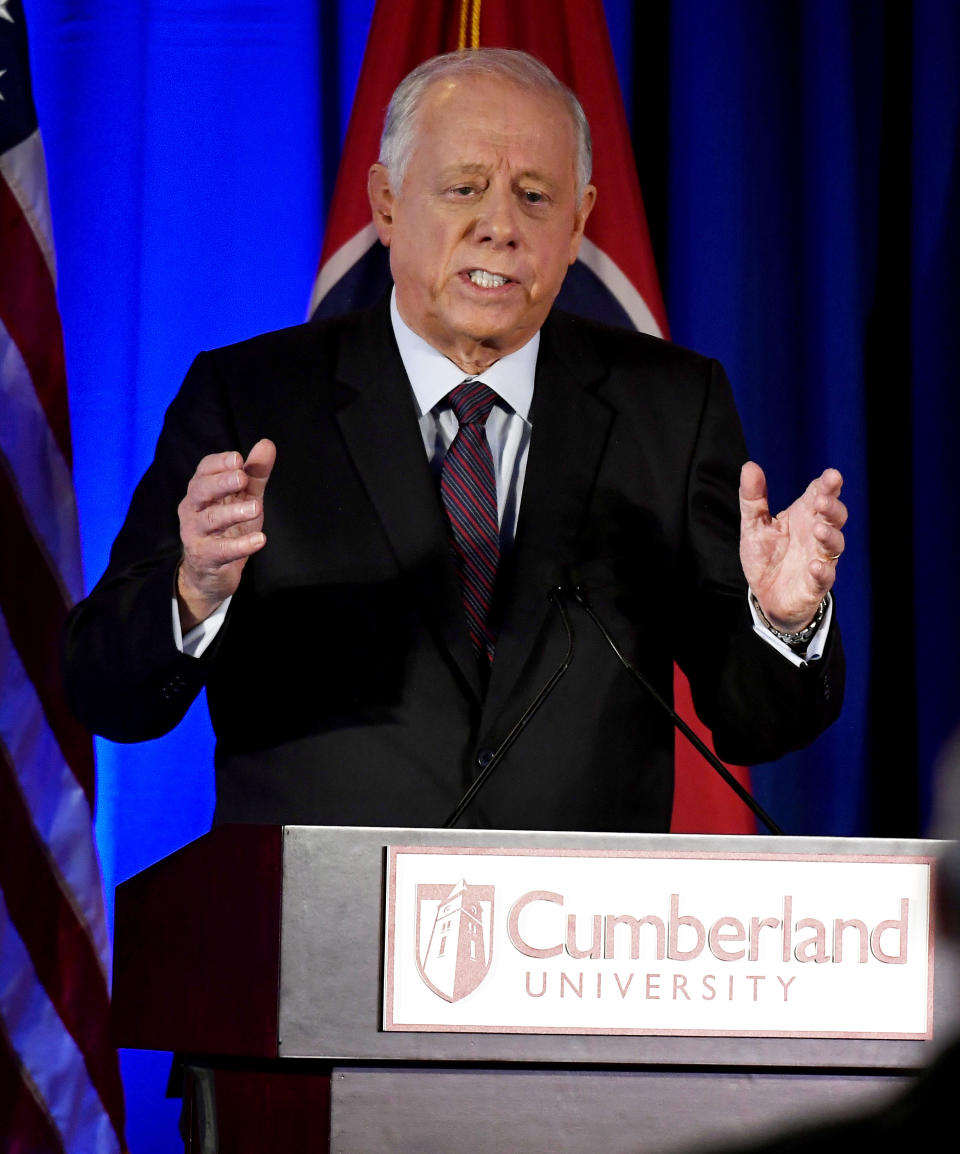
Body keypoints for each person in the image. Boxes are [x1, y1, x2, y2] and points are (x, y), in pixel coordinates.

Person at [63, 49, 846, 833]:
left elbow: (760, 722)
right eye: (464, 188)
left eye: (535, 197)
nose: (500, 227)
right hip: (318, 931)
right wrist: (193, 590)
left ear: (578, 224)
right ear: (387, 203)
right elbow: (108, 696)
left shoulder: (671, 407)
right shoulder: (251, 400)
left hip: (581, 939)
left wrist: (781, 624)